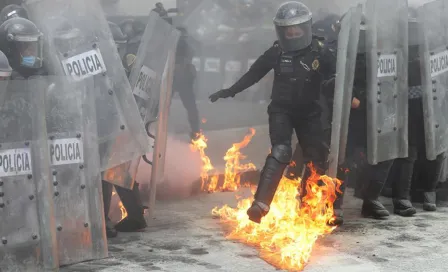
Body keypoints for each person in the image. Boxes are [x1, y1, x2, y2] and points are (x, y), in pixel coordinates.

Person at [209, 1, 334, 224]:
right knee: (281, 150)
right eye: (288, 28)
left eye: (296, 27)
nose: (292, 32)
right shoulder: (277, 51)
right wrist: (230, 91)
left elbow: (338, 78)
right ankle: (260, 205)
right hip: (281, 110)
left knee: (317, 159)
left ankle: (307, 206)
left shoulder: (321, 51)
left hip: (311, 112)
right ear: (281, 30)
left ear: (306, 27)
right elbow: (254, 73)